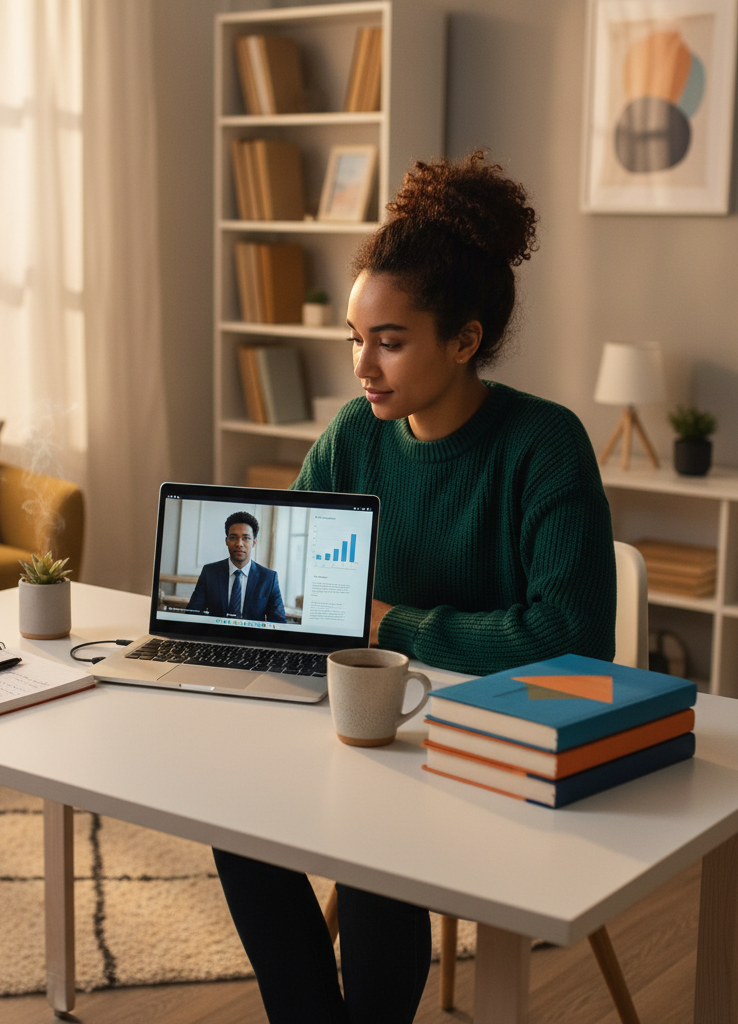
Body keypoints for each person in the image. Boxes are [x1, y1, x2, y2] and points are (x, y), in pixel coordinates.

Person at [213, 152, 617, 1024]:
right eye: (357, 339)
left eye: (389, 342)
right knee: (233, 817)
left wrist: (393, 624)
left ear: (464, 340)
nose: (365, 366)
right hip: (376, 729)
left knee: (373, 844)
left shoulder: (544, 445)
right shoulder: (356, 434)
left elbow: (573, 637)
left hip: (496, 739)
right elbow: (290, 576)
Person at [186, 511, 287, 623]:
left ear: (254, 543)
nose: (239, 543)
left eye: (246, 538)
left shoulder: (269, 578)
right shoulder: (209, 572)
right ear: (227, 541)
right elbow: (192, 613)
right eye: (233, 538)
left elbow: (279, 623)